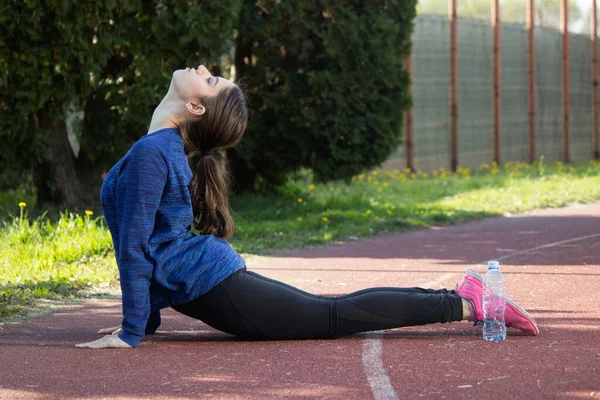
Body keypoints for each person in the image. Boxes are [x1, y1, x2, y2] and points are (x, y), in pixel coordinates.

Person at [75, 66, 538, 349]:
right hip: (206, 276)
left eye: (209, 78)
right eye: (211, 75)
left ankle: (466, 304)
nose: (201, 68)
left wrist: (132, 331)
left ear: (196, 107)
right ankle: (468, 296)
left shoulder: (153, 152)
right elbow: (145, 241)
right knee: (329, 311)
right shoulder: (159, 150)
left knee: (332, 318)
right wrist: (145, 322)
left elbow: (136, 247)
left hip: (209, 281)